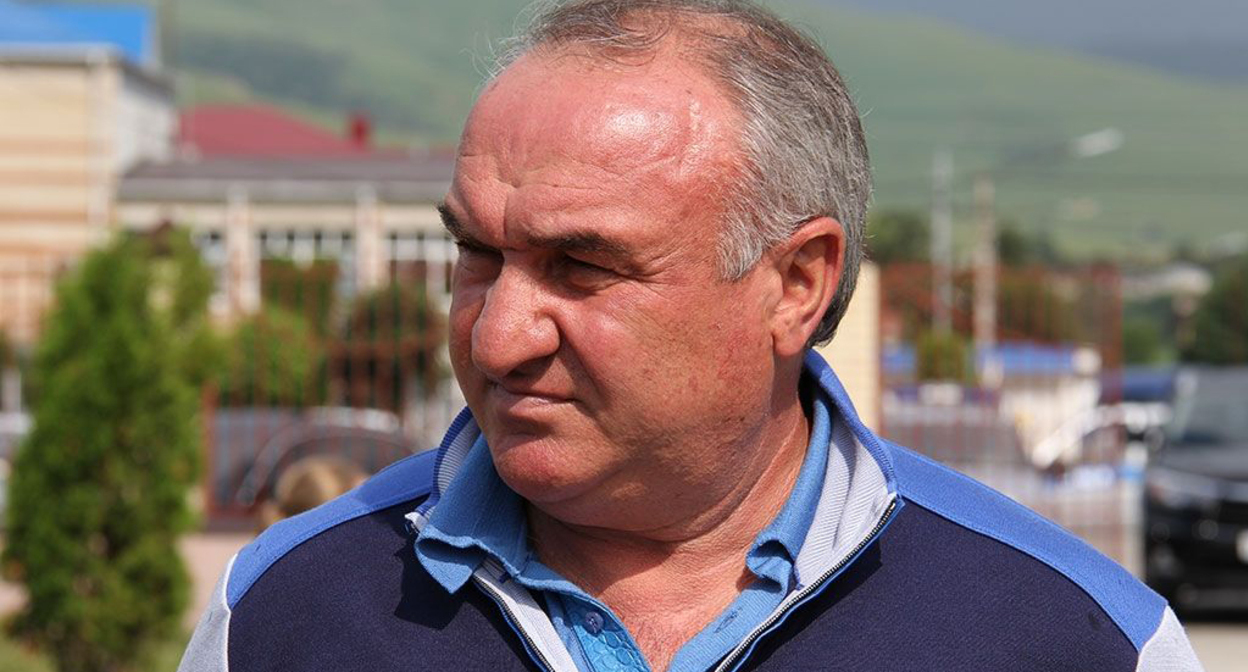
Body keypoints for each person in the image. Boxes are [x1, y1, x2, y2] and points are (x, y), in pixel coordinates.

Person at [178, 1, 1203, 671]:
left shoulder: (1075, 639)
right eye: (477, 254)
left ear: (796, 285)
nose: (496, 339)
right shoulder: (282, 615)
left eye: (582, 266)